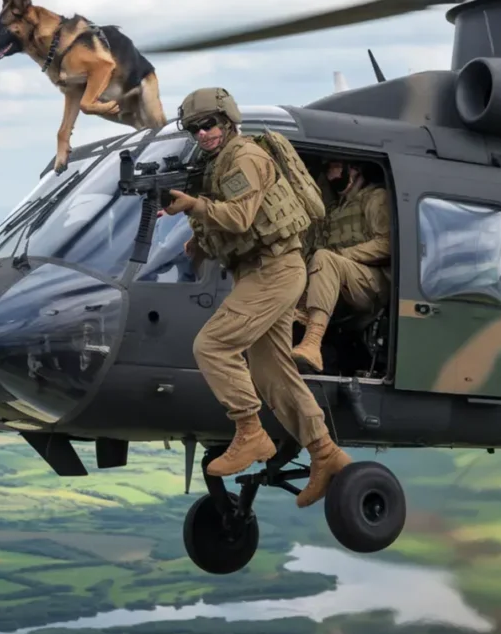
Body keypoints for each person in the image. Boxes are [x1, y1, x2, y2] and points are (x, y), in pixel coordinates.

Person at [162, 87, 351, 509]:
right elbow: (236, 229)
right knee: (272, 372)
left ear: (227, 121)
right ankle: (326, 454)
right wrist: (199, 244)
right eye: (195, 129)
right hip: (261, 270)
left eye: (209, 124)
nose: (203, 134)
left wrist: (193, 205)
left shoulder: (245, 157)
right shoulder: (219, 163)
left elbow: (240, 217)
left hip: (275, 271)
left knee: (212, 346)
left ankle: (250, 433)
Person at [292, 160, 391, 374]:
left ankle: (312, 343)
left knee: (325, 259)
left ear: (354, 169)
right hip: (344, 280)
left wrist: (343, 255)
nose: (330, 174)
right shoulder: (336, 208)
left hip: (372, 282)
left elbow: (387, 244)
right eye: (327, 169)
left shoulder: (376, 198)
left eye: (334, 167)